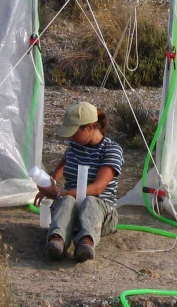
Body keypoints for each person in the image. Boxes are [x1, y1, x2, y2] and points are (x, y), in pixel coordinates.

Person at [34, 102, 125, 262]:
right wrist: (50, 183)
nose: (70, 137)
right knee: (68, 201)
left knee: (90, 201)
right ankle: (56, 240)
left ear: (89, 127)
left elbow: (97, 188)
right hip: (72, 208)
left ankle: (86, 242)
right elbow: (63, 165)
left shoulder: (111, 150)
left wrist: (60, 193)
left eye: (74, 132)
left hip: (101, 212)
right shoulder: (75, 146)